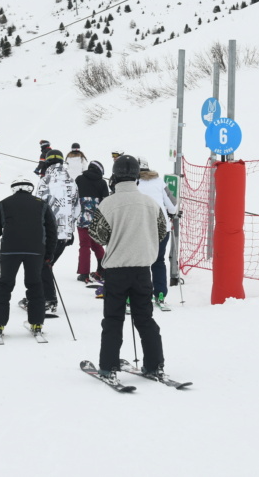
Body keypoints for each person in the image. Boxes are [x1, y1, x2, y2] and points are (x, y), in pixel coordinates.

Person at [88, 155, 167, 382]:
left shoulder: (108, 204)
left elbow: (97, 235)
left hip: (116, 270)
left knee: (113, 319)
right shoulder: (151, 204)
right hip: (143, 269)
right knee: (145, 319)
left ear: (114, 177)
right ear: (136, 177)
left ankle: (108, 366)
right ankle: (154, 365)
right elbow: (161, 232)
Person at [0, 177, 58, 341]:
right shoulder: (42, 204)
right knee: (35, 285)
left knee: (4, 284)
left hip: (10, 250)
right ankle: (37, 323)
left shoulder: (4, 203)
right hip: (35, 251)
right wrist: (49, 255)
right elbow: (52, 230)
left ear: (14, 189)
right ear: (30, 189)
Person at [32, 149, 80, 314]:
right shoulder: (71, 182)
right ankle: (38, 297)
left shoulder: (45, 181)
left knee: (43, 265)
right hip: (65, 235)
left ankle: (48, 300)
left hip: (48, 233)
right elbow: (77, 208)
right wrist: (70, 227)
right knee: (46, 265)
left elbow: (38, 206)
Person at [136, 157, 178, 309]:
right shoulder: (160, 181)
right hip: (162, 228)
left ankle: (139, 294)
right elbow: (173, 205)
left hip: (142, 228)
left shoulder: (134, 183)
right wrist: (170, 213)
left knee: (140, 262)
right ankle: (160, 293)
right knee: (158, 260)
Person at [75, 159, 109, 282]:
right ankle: (104, 270)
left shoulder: (79, 179)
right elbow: (106, 202)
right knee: (97, 244)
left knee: (84, 245)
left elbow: (74, 196)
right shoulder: (102, 182)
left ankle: (84, 273)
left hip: (82, 217)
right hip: (97, 220)